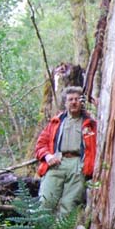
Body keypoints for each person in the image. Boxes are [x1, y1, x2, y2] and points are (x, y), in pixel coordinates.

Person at [34, 85, 97, 217]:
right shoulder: (56, 122)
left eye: (76, 99)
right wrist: (48, 156)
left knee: (69, 205)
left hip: (78, 165)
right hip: (56, 162)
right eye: (70, 99)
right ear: (65, 102)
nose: (73, 102)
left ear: (82, 102)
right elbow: (41, 144)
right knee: (45, 200)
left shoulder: (90, 123)